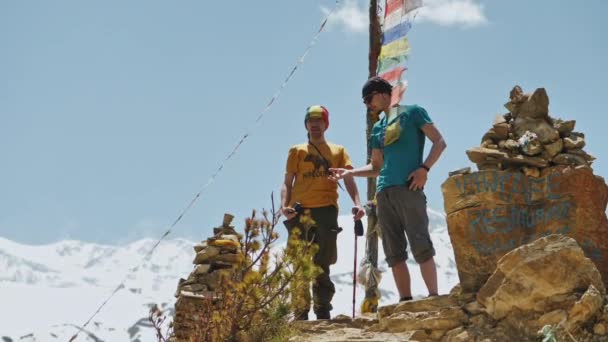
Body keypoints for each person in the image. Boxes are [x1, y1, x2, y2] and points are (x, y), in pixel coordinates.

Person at [329, 77, 447, 302]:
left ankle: (434, 298)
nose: (367, 105)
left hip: (408, 187)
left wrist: (424, 169)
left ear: (383, 93)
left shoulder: (413, 112)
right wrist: (349, 173)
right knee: (394, 253)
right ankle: (405, 302)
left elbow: (439, 142)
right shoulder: (378, 128)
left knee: (420, 243)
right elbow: (376, 166)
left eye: (368, 99)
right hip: (383, 193)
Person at [281, 105, 365, 320]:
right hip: (299, 211)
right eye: (311, 120)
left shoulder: (338, 151)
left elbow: (348, 177)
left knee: (322, 263)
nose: (315, 124)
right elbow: (287, 182)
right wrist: (284, 206)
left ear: (326, 124)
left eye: (319, 120)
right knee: (299, 264)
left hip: (326, 211)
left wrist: (357, 203)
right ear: (306, 124)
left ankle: (323, 312)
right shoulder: (296, 151)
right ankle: (300, 313)